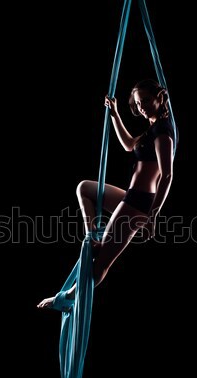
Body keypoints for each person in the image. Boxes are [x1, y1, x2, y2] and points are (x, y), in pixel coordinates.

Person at [37, 79, 177, 309]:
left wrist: (153, 216)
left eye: (147, 101)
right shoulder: (153, 127)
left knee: (101, 262)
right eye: (139, 104)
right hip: (132, 197)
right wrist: (115, 114)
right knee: (85, 188)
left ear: (160, 98)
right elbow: (129, 144)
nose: (142, 107)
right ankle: (92, 235)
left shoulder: (163, 131)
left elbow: (167, 175)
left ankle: (68, 298)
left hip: (139, 204)